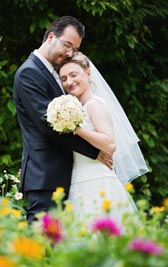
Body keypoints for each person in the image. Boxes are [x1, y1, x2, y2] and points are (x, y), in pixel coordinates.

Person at [13, 16, 112, 223]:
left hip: (65, 174)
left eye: (74, 50)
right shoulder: (29, 73)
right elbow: (48, 125)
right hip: (45, 174)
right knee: (42, 242)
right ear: (51, 37)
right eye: (67, 45)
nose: (69, 53)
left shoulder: (54, 73)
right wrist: (94, 152)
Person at [58, 52, 149, 225]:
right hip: (80, 180)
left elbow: (110, 144)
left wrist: (75, 128)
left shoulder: (94, 104)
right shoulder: (78, 107)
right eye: (63, 78)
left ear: (87, 72)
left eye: (73, 75)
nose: (69, 82)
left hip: (97, 182)